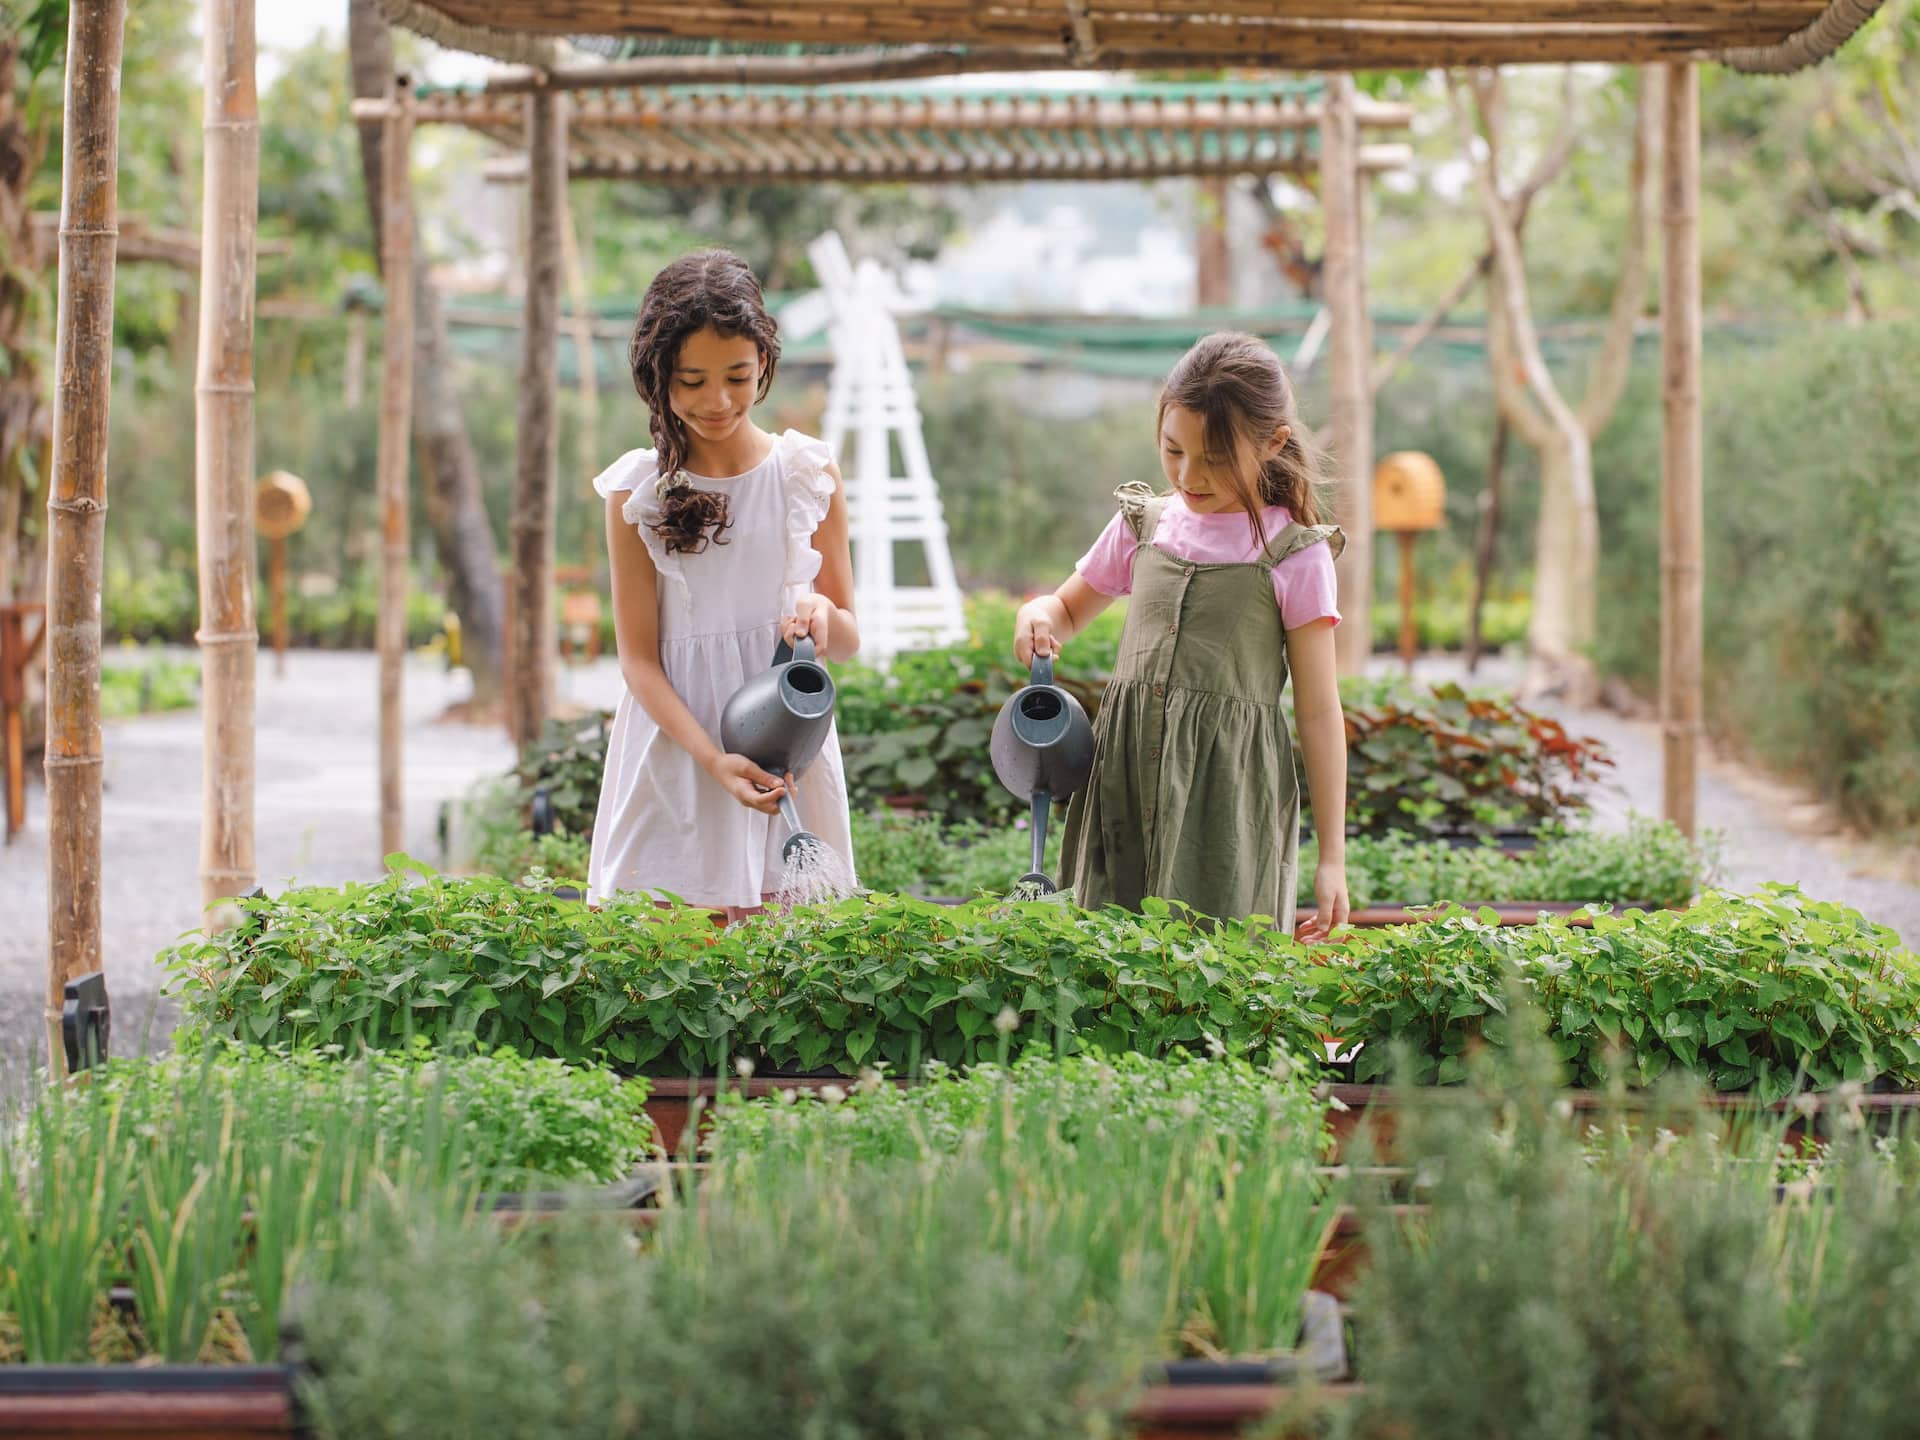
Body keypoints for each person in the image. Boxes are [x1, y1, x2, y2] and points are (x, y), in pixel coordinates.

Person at [1013, 332, 1350, 938]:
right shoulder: (1144, 525)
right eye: (1173, 451)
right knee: (1106, 962)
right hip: (1121, 784)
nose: (1189, 475)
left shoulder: (1295, 554)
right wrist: (1036, 615)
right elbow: (1063, 610)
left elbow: (1321, 712)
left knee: (1220, 972)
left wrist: (1332, 859)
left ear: (1273, 443)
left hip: (1225, 800)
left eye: (1215, 459)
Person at [586, 249, 858, 918]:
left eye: (737, 376)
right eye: (692, 380)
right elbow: (639, 662)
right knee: (660, 973)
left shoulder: (805, 474)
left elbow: (849, 641)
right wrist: (714, 761)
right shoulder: (638, 491)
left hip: (782, 748)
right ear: (659, 379)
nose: (718, 401)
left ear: (764, 361)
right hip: (677, 753)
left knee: (781, 980)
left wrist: (821, 611)